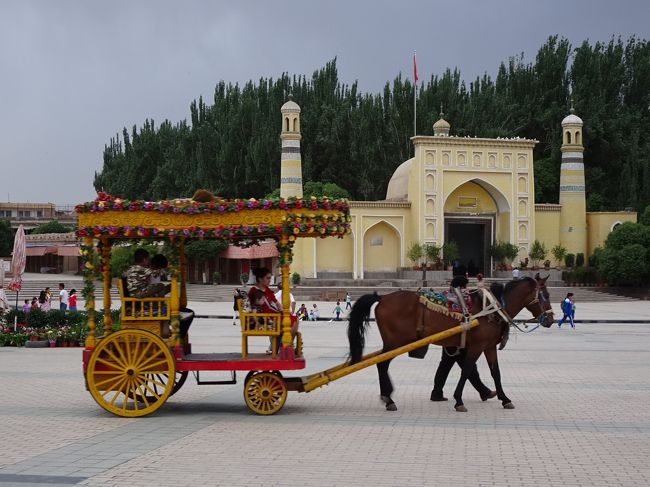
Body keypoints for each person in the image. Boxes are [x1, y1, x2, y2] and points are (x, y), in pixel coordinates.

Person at [431, 275, 497, 402]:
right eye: (465, 285)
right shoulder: (462, 297)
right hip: (458, 339)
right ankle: (484, 392)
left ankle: (437, 393)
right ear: (462, 286)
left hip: (449, 337)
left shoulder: (447, 295)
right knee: (469, 367)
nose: (466, 288)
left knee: (445, 366)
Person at [124, 249, 193, 339]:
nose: (149, 262)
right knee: (159, 286)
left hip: (139, 293)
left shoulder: (133, 268)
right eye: (148, 259)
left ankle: (169, 327)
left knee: (159, 288)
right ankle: (172, 327)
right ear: (144, 259)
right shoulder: (140, 269)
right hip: (139, 293)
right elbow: (154, 273)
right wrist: (170, 268)